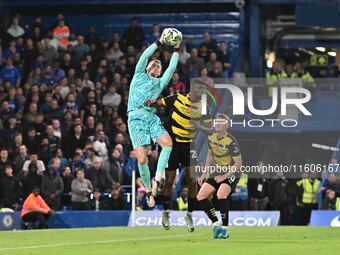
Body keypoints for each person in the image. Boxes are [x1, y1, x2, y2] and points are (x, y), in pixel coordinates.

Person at [144, 79, 212, 232]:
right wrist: (149, 102)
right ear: (192, 89)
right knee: (169, 181)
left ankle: (189, 215)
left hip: (189, 146)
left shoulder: (203, 107)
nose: (200, 93)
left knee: (192, 181)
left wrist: (198, 125)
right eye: (198, 90)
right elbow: (160, 102)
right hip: (172, 144)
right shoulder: (177, 99)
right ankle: (166, 213)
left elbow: (209, 129)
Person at [127, 28, 181, 207]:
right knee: (141, 159)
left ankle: (158, 178)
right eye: (154, 64)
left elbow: (172, 67)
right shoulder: (138, 75)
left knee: (168, 143)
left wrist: (177, 49)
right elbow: (145, 55)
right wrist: (159, 42)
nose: (156, 65)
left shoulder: (160, 83)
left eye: (159, 66)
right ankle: (149, 190)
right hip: (135, 119)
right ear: (148, 67)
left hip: (150, 117)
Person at [196, 113, 242, 239]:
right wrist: (205, 173)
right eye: (216, 122)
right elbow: (210, 154)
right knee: (201, 196)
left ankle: (225, 229)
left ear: (227, 125)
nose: (218, 124)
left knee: (221, 195)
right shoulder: (211, 136)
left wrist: (224, 177)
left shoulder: (232, 142)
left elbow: (238, 164)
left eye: (221, 122)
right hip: (218, 171)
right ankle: (217, 226)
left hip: (232, 172)